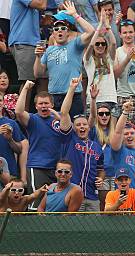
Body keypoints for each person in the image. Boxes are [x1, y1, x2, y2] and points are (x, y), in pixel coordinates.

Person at [34, 2, 96, 117]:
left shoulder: (75, 45)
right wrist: (38, 57)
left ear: (68, 32)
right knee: (55, 130)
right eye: (56, 28)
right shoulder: (49, 50)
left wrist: (76, 15)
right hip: (54, 97)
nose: (59, 30)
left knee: (74, 129)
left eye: (63, 28)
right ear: (53, 33)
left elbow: (91, 31)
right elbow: (38, 73)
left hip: (73, 95)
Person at [58, 77, 106, 211]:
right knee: (71, 227)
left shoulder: (96, 146)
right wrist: (72, 88)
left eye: (84, 124)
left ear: (89, 127)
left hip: (92, 196)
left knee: (94, 230)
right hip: (71, 194)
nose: (82, 127)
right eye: (78, 125)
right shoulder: (69, 138)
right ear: (73, 127)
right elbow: (64, 112)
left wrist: (101, 179)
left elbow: (101, 169)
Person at [15, 81, 65, 208]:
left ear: (52, 105)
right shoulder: (33, 119)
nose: (44, 106)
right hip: (37, 167)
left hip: (57, 168)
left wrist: (59, 118)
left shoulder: (59, 118)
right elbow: (19, 112)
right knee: (35, 203)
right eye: (40, 104)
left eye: (46, 103)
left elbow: (71, 130)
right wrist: (26, 88)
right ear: (36, 106)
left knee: (55, 203)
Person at [9, 0, 49, 104]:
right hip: (23, 41)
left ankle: (42, 115)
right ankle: (22, 115)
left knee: (43, 78)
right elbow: (42, 5)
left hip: (34, 42)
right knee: (28, 82)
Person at [83, 14, 118, 115]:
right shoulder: (88, 60)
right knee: (94, 130)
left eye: (103, 44)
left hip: (110, 99)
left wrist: (107, 26)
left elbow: (114, 43)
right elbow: (90, 44)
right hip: (94, 99)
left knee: (112, 130)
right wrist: (99, 26)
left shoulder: (109, 59)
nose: (100, 46)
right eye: (97, 44)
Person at [88, 94, 116, 210]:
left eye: (107, 113)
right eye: (101, 114)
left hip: (115, 173)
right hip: (100, 173)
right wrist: (93, 100)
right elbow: (92, 118)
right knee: (103, 204)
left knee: (115, 204)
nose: (104, 116)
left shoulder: (115, 131)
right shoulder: (93, 131)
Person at [0, 100, 26, 179]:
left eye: (0, 100)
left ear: (3, 103)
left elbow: (19, 150)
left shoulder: (11, 123)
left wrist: (10, 139)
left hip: (10, 173)